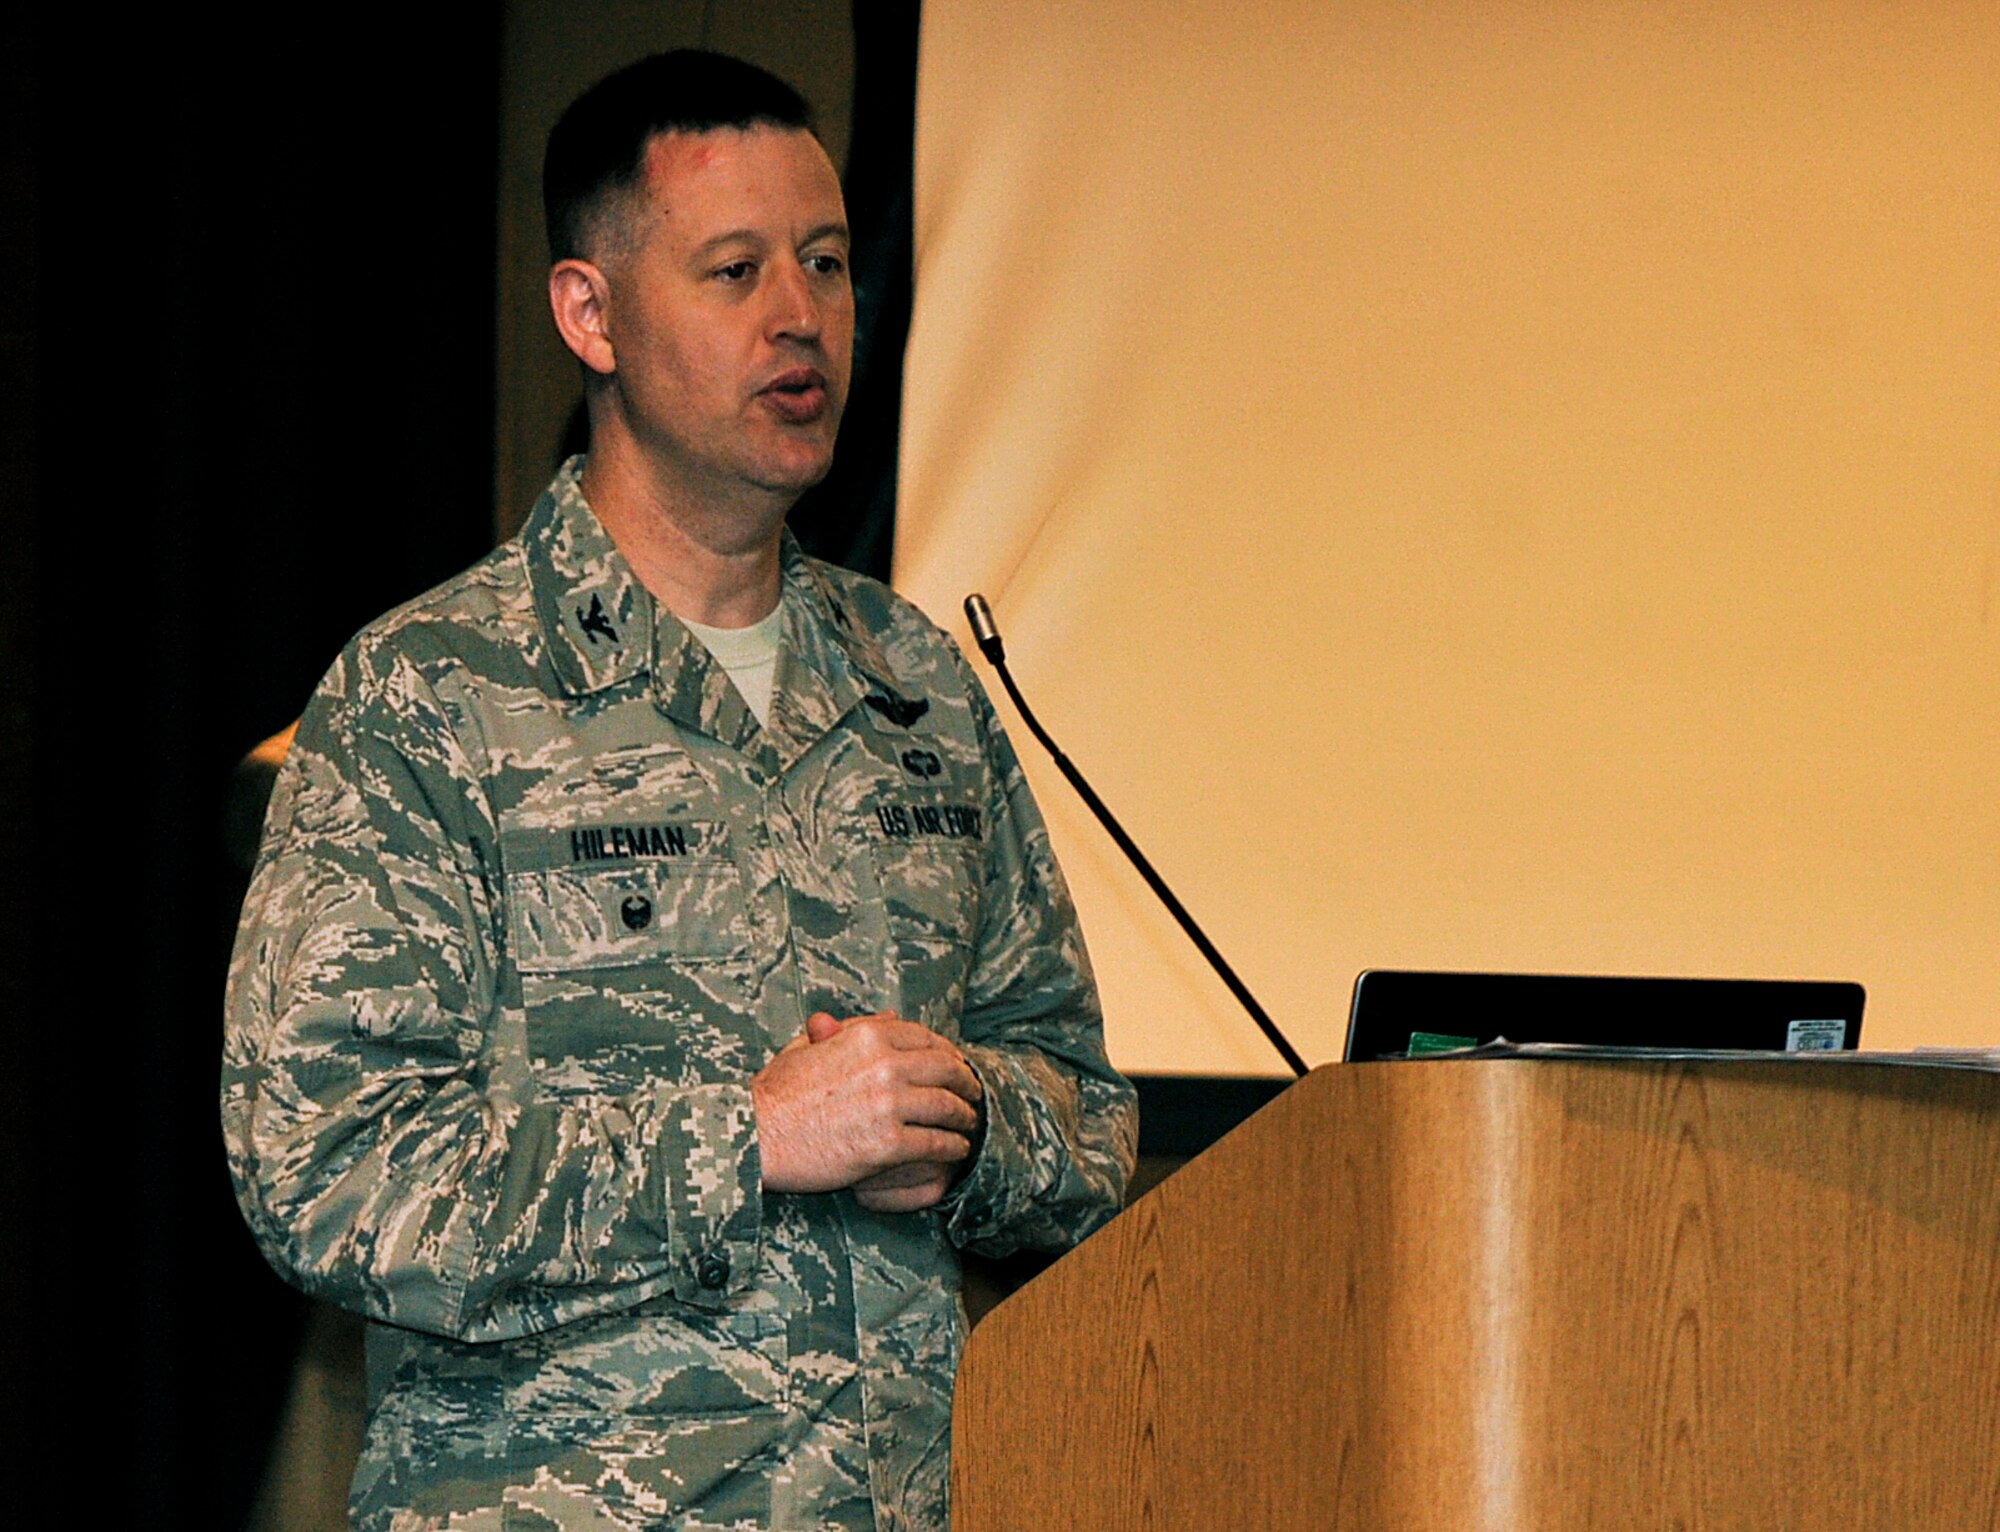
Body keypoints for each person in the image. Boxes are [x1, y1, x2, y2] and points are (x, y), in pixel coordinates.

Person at [221, 50, 1136, 1532]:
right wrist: (751, 1142)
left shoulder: (916, 685)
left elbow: (1083, 1122)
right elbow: (328, 1173)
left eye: (828, 263)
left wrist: (959, 1134)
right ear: (590, 314)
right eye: (734, 271)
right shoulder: (430, 693)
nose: (802, 316)